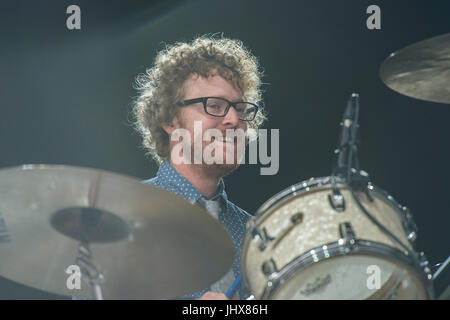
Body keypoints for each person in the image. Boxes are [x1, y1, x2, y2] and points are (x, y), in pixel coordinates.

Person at [132, 35, 266, 300]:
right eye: (214, 106)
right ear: (169, 120)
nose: (233, 119)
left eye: (241, 109)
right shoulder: (123, 215)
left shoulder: (254, 234)